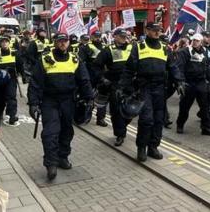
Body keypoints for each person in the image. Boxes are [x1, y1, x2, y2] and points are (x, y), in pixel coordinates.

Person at [27, 33, 94, 180]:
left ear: (68, 43)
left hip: (68, 101)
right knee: (50, 133)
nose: (63, 44)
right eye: (60, 41)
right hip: (49, 101)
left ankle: (62, 157)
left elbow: (84, 80)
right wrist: (33, 103)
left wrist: (89, 98)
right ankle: (51, 164)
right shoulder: (45, 59)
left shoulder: (75, 59)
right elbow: (35, 83)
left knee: (67, 131)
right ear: (55, 43)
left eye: (65, 41)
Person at [119, 22, 184, 162]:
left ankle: (153, 147)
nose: (157, 33)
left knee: (159, 120)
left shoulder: (165, 48)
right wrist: (123, 87)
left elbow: (173, 67)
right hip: (144, 88)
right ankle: (141, 148)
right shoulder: (139, 47)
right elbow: (129, 69)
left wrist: (179, 81)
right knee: (146, 119)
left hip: (160, 88)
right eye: (154, 30)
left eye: (159, 30)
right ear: (147, 30)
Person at [92, 29, 133, 146]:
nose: (124, 38)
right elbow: (96, 65)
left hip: (130, 84)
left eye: (125, 36)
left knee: (132, 110)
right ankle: (120, 134)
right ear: (114, 37)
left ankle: (122, 126)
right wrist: (102, 79)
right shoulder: (108, 50)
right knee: (116, 111)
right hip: (115, 84)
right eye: (121, 36)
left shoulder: (132, 48)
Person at [175, 33, 210, 136]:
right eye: (193, 40)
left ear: (201, 42)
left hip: (201, 82)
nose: (194, 42)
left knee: (205, 106)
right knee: (184, 106)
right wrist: (181, 82)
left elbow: (207, 68)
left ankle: (205, 127)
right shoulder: (184, 52)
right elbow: (180, 67)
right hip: (189, 83)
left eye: (197, 41)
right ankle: (180, 124)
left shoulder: (204, 52)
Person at [78, 32, 108, 127]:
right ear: (91, 37)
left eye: (99, 36)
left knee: (102, 98)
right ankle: (85, 115)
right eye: (95, 36)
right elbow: (81, 63)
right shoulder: (85, 47)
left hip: (102, 77)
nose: (97, 38)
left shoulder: (105, 47)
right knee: (88, 96)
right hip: (90, 76)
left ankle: (100, 118)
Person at [0, 35, 22, 125]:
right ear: (0, 43)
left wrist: (23, 76)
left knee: (11, 97)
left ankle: (12, 116)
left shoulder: (15, 52)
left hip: (11, 79)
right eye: (2, 42)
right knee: (0, 98)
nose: (4, 43)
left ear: (9, 43)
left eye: (6, 41)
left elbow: (20, 65)